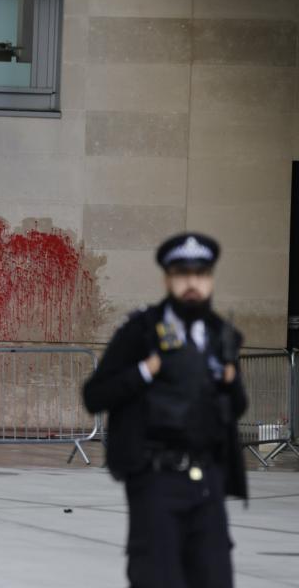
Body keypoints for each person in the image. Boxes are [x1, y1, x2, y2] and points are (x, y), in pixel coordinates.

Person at [83, 232, 248, 588]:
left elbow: (236, 406)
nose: (192, 283)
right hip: (156, 479)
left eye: (201, 274)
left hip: (207, 482)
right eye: (182, 274)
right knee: (157, 578)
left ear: (210, 279)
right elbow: (95, 396)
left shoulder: (221, 335)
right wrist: (145, 371)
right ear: (167, 279)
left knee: (214, 577)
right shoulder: (141, 331)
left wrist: (231, 381)